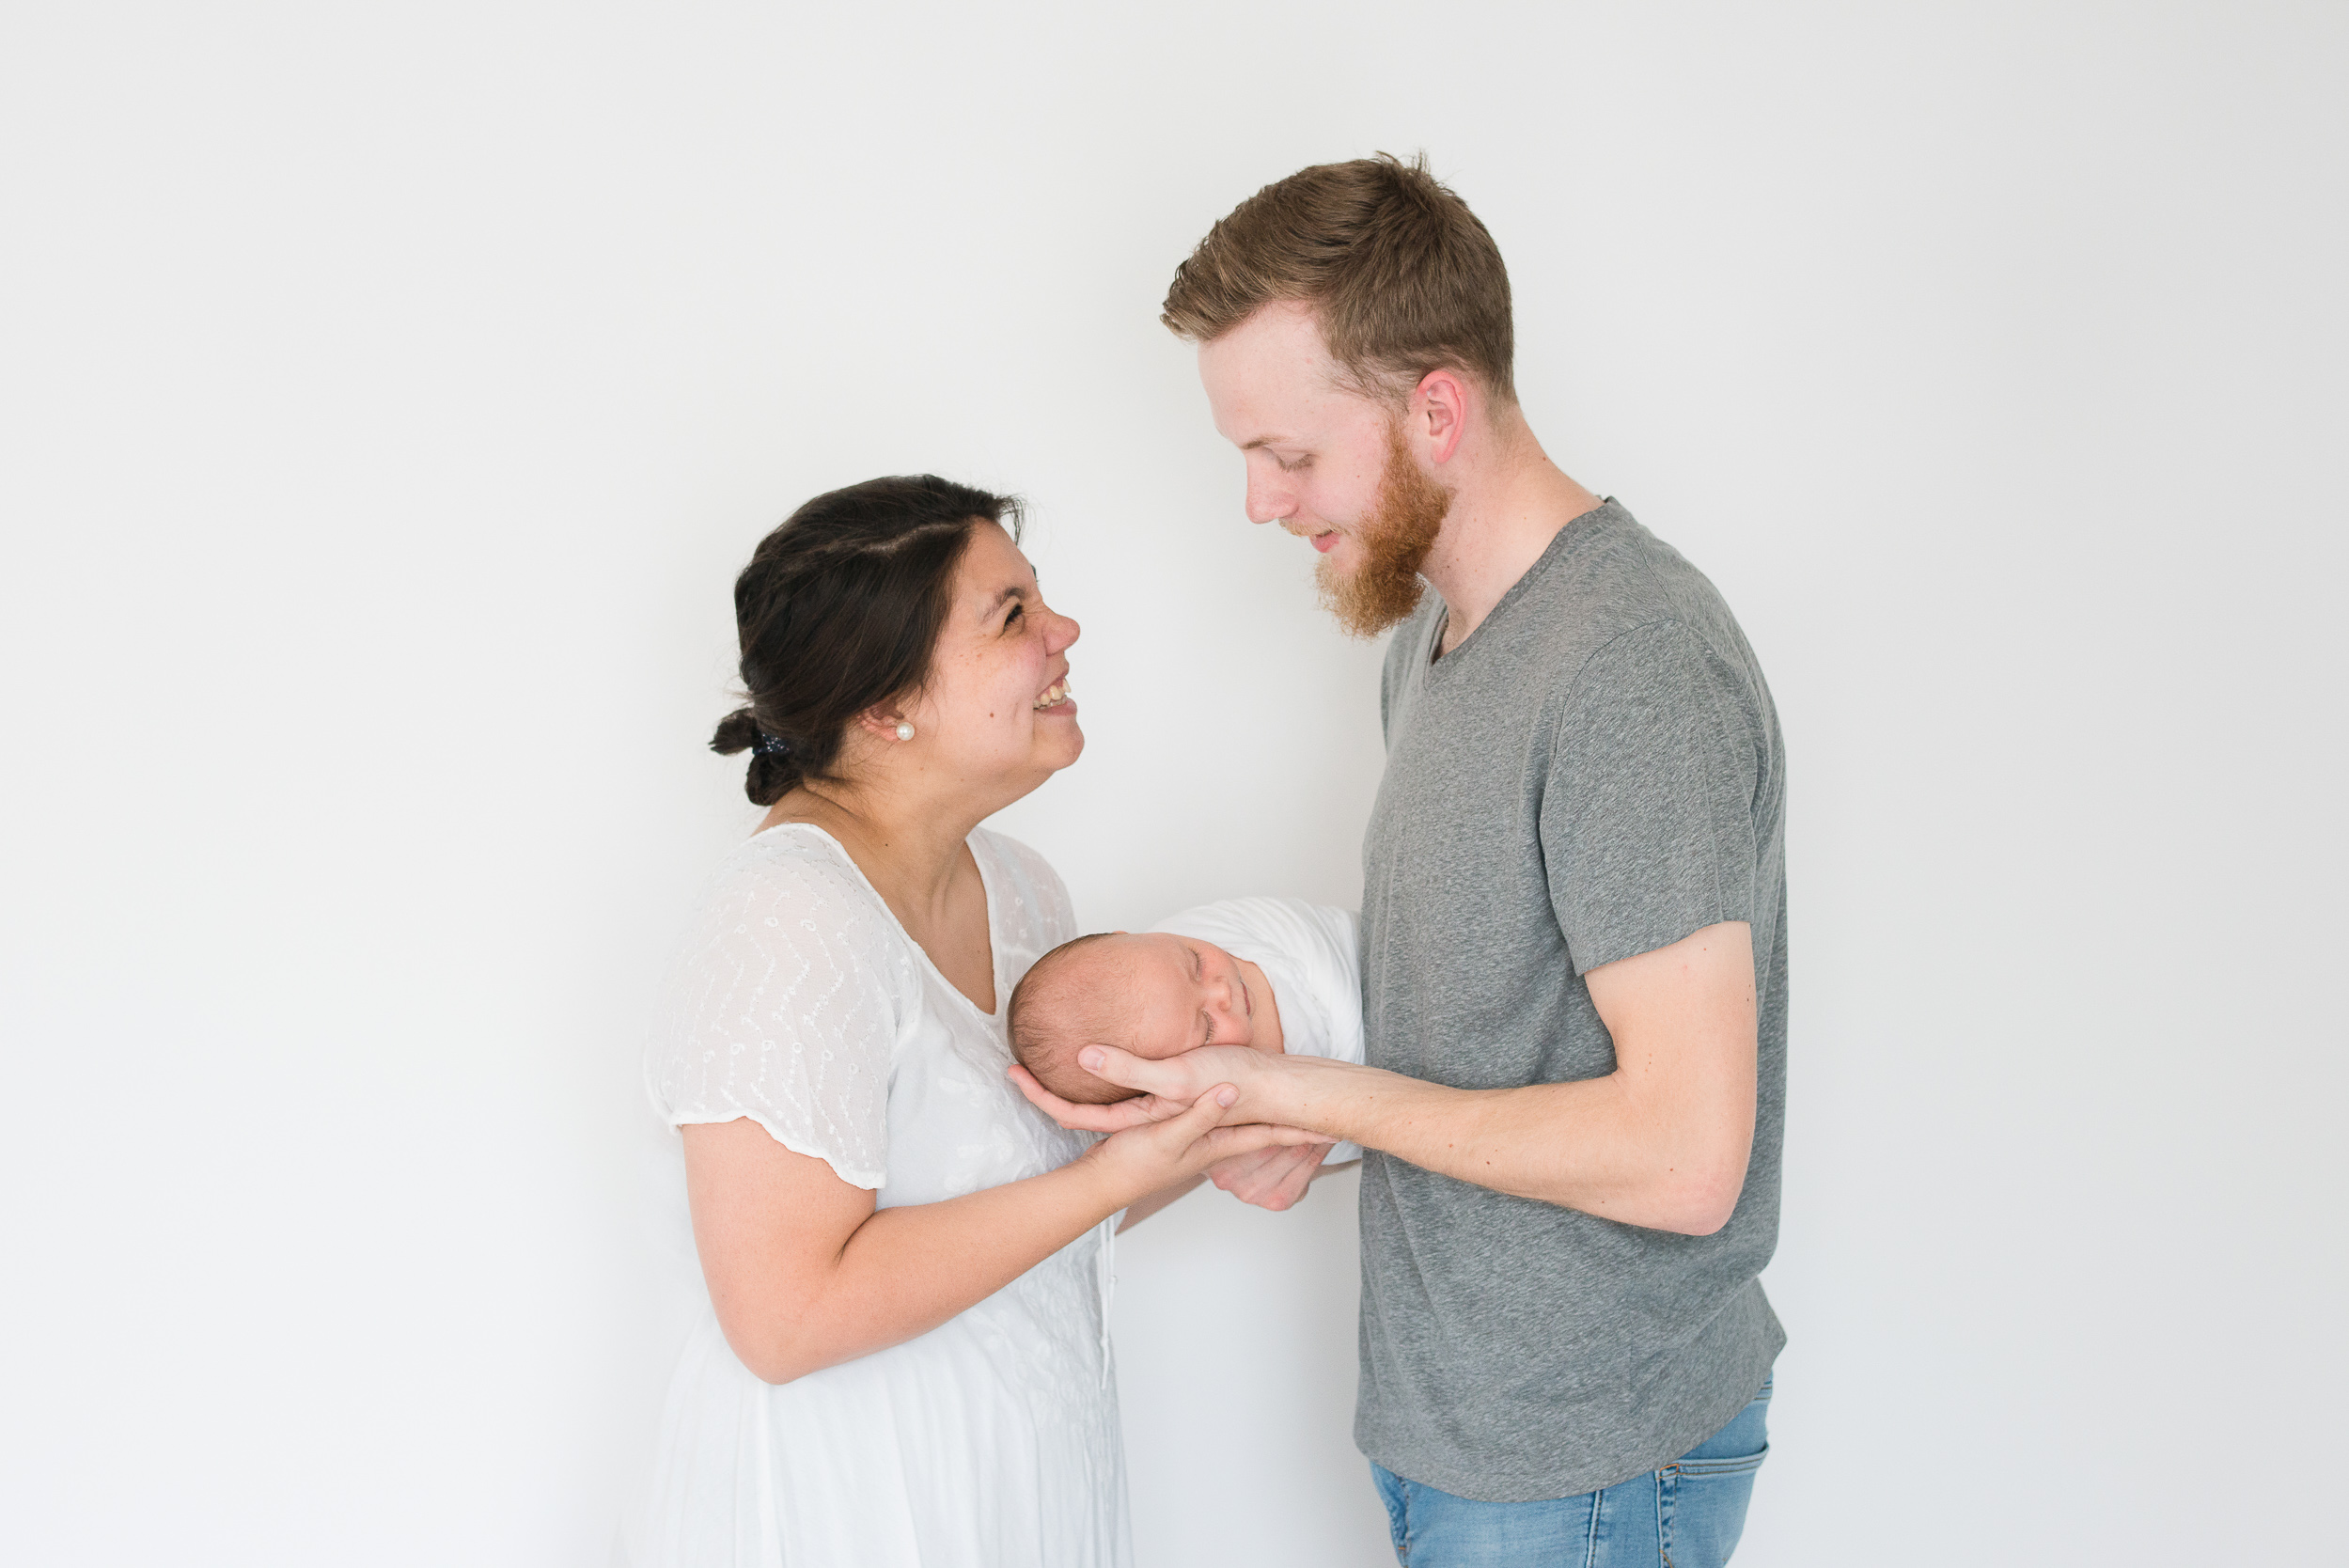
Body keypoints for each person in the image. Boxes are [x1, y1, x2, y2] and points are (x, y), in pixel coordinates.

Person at [1016, 155, 1790, 1567]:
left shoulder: (1627, 667)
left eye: (1289, 455)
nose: (1259, 503)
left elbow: (1686, 1158)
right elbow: (1501, 1048)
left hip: (1585, 1458)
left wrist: (1307, 1087)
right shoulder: (1426, 648)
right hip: (1467, 1443)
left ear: (1436, 407)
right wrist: (1305, 1128)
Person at [626, 475, 1310, 1567]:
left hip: (1020, 1498)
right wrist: (1114, 1177)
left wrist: (1248, 1120)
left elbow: (1033, 1215)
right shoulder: (787, 925)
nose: (1064, 631)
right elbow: (784, 1317)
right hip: (852, 1515)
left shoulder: (1023, 892)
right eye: (1013, 616)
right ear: (886, 707)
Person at [1006, 898, 1367, 1157]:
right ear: (1166, 1083)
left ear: (1126, 935)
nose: (1222, 992)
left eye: (1194, 964)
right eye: (1207, 1026)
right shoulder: (1230, 1109)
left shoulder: (1200, 929)